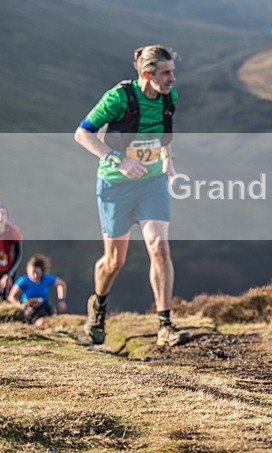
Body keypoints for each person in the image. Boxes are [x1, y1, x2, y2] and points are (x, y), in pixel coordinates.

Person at [73, 45, 188, 347]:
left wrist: (168, 158)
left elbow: (165, 132)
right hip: (115, 185)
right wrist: (119, 161)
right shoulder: (119, 98)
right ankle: (98, 308)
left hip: (152, 184)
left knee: (160, 248)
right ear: (147, 74)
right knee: (114, 261)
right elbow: (82, 134)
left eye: (173, 72)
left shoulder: (168, 97)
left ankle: (165, 324)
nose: (173, 79)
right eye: (166, 73)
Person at [7, 255, 68, 326]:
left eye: (37, 273)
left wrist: (61, 300)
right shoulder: (23, 280)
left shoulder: (46, 279)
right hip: (28, 306)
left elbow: (61, 284)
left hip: (43, 306)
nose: (35, 276)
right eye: (33, 273)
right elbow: (11, 297)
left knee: (44, 318)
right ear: (28, 271)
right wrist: (21, 306)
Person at [0, 203, 23, 300]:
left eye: (3, 214)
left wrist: (10, 274)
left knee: (6, 295)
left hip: (7, 269)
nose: (0, 217)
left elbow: (18, 254)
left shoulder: (13, 231)